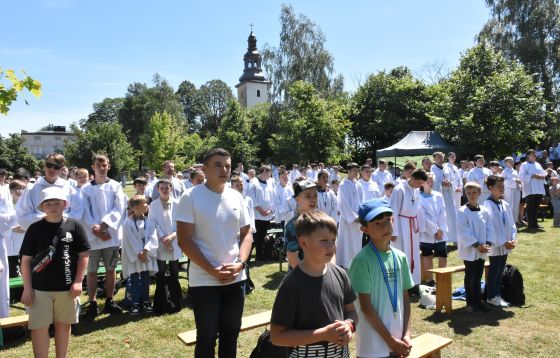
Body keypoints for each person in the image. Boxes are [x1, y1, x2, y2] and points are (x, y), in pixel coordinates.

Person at [176, 148, 252, 358]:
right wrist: (212, 270)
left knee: (231, 335)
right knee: (207, 337)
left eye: (227, 165)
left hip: (236, 278)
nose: (224, 170)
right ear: (205, 169)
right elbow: (184, 240)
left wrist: (240, 263)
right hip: (204, 280)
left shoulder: (236, 196)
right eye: (218, 165)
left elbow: (247, 235)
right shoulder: (190, 197)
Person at [270, 210, 357, 357]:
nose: (331, 246)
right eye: (324, 241)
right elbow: (277, 336)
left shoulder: (340, 275)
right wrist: (323, 334)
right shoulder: (292, 284)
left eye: (333, 240)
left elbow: (352, 312)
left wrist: (349, 325)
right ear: (303, 242)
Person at [20, 187, 90, 358]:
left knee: (63, 326)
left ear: (65, 204)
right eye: (48, 203)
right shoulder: (34, 229)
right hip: (39, 290)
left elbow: (84, 255)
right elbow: (26, 261)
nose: (52, 206)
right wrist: (27, 288)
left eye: (56, 202)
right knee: (38, 328)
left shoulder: (75, 226)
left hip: (66, 289)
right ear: (42, 206)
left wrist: (78, 281)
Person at [348, 198, 414, 358]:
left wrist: (407, 334)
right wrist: (390, 341)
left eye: (387, 220)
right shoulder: (361, 261)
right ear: (365, 229)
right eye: (377, 223)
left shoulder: (401, 257)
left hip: (399, 343)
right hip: (372, 348)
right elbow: (365, 307)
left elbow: (405, 300)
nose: (385, 226)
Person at [80, 153, 127, 320]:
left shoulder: (115, 186)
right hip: (93, 237)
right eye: (98, 165)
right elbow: (84, 211)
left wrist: (104, 226)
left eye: (104, 164)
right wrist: (96, 229)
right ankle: (92, 302)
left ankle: (109, 299)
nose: (101, 167)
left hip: (110, 236)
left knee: (110, 269)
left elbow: (119, 208)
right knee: (91, 271)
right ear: (92, 167)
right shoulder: (85, 189)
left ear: (109, 166)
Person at [16, 153, 83, 231]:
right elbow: (22, 214)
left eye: (56, 167)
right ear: (44, 165)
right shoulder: (31, 188)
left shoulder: (68, 187)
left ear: (61, 169)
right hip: (40, 231)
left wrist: (59, 218)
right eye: (49, 165)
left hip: (63, 230)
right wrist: (45, 218)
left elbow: (77, 212)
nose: (52, 169)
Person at [457, 182, 493, 314]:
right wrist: (477, 245)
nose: (471, 195)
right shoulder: (462, 211)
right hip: (470, 249)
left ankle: (479, 301)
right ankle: (470, 303)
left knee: (478, 276)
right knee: (470, 276)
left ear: (479, 193)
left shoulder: (484, 210)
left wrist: (487, 243)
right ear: (465, 194)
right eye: (468, 193)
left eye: (474, 193)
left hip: (482, 249)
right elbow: (463, 231)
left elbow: (490, 227)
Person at [149, 180, 183, 314]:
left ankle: (176, 300)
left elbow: (181, 222)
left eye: (166, 187)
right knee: (161, 272)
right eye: (161, 188)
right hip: (161, 241)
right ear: (158, 189)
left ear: (171, 188)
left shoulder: (178, 203)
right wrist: (163, 237)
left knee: (175, 270)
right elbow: (153, 222)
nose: (164, 190)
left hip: (174, 240)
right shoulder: (153, 204)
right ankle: (162, 301)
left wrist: (173, 236)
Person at [390, 169, 428, 287]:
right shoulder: (399, 189)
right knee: (402, 252)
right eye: (419, 183)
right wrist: (393, 231)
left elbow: (418, 210)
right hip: (401, 225)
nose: (420, 186)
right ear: (413, 178)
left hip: (412, 225)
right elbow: (393, 210)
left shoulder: (415, 190)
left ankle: (413, 282)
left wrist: (421, 227)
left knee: (414, 254)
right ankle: (402, 284)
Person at [484, 175, 517, 308]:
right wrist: (503, 241)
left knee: (500, 269)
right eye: (499, 187)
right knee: (495, 270)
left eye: (503, 186)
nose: (502, 189)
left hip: (506, 243)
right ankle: (492, 296)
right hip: (497, 243)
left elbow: (511, 223)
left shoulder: (505, 204)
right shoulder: (488, 204)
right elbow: (492, 226)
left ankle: (497, 295)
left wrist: (513, 238)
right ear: (490, 188)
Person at [122, 195, 158, 315]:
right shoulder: (127, 223)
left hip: (146, 255)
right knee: (135, 279)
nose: (147, 205)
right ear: (136, 207)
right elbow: (129, 240)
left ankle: (146, 301)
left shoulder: (149, 221)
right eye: (144, 203)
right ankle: (135, 302)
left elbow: (152, 236)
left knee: (145, 278)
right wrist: (139, 253)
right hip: (135, 256)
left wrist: (146, 250)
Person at [418, 173, 448, 286]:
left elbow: (443, 213)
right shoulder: (419, 197)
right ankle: (430, 280)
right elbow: (423, 217)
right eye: (428, 181)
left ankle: (442, 277)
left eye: (431, 181)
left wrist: (440, 229)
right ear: (422, 183)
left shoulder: (438, 195)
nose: (430, 183)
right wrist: (434, 230)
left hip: (440, 231)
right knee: (427, 255)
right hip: (427, 232)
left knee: (442, 254)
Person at [285, 179, 318, 269]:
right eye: (308, 196)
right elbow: (293, 258)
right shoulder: (294, 225)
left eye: (315, 196)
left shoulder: (321, 220)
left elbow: (332, 248)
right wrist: (310, 275)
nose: (313, 200)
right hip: (302, 276)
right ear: (298, 200)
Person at [336, 162, 364, 269]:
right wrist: (353, 217)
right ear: (348, 171)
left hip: (358, 220)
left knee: (356, 243)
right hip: (347, 220)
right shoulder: (343, 185)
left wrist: (361, 215)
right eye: (354, 170)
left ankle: (356, 263)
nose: (356, 173)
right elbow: (342, 203)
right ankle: (345, 264)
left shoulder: (359, 185)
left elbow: (362, 201)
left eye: (357, 170)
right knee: (347, 243)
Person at [431, 152, 458, 244]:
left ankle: (454, 239)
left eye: (442, 157)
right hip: (439, 195)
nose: (441, 158)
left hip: (449, 195)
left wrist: (450, 183)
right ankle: (443, 239)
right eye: (438, 157)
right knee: (441, 217)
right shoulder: (432, 169)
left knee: (451, 215)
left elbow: (453, 179)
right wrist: (441, 184)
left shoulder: (447, 167)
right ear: (434, 158)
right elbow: (432, 182)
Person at [519, 149, 546, 229]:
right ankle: (530, 224)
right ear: (528, 155)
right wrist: (532, 176)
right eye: (532, 154)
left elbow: (543, 174)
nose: (534, 156)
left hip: (538, 188)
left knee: (536, 206)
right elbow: (521, 176)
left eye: (535, 154)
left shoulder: (537, 164)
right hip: (529, 189)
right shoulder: (524, 165)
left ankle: (535, 223)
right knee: (530, 207)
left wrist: (541, 176)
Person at [252, 165, 275, 261]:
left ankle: (263, 254)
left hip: (268, 215)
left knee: (263, 235)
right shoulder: (254, 182)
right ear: (263, 172)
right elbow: (252, 198)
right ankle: (258, 255)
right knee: (257, 236)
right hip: (257, 215)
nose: (270, 173)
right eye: (268, 171)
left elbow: (273, 197)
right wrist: (261, 210)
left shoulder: (270, 182)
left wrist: (270, 210)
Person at [502, 157, 522, 225]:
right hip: (508, 191)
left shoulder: (515, 171)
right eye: (510, 162)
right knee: (510, 206)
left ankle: (515, 221)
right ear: (506, 163)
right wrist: (515, 181)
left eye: (512, 161)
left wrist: (519, 183)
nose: (512, 163)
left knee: (516, 206)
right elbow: (504, 181)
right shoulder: (504, 171)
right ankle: (509, 222)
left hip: (516, 190)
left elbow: (519, 180)